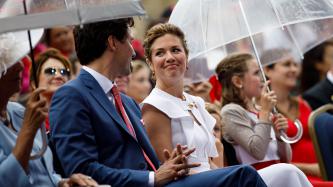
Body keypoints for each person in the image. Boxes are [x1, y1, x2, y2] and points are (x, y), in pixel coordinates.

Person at [49, 19, 267, 187]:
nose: (134, 51)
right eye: (129, 40)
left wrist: (173, 164)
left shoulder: (127, 102)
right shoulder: (72, 95)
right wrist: (152, 178)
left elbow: (152, 161)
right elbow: (80, 169)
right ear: (112, 42)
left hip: (165, 181)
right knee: (243, 176)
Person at [0, 31, 98, 187]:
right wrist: (28, 130)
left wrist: (62, 182)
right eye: (10, 62)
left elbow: (43, 173)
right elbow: (5, 181)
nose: (20, 66)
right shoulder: (31, 116)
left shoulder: (18, 111)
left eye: (64, 72)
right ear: (33, 82)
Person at [218, 53, 312, 187]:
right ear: (238, 81)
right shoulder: (231, 111)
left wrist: (280, 136)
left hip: (278, 173)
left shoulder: (259, 108)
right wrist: (265, 113)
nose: (263, 78)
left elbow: (286, 158)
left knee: (289, 170)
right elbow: (258, 152)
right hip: (254, 177)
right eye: (256, 73)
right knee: (289, 171)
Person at [263, 52, 324, 182]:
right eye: (287, 65)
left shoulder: (303, 103)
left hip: (323, 171)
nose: (294, 69)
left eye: (295, 65)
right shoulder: (263, 110)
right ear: (267, 70)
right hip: (296, 178)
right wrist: (311, 168)